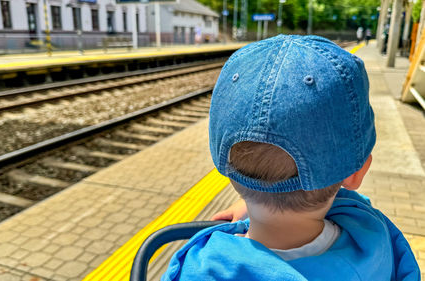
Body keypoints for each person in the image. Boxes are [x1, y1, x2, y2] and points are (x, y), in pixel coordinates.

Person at [161, 35, 420, 280]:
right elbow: (349, 204)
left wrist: (258, 199)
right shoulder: (372, 238)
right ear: (356, 173)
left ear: (225, 166)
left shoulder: (202, 269)